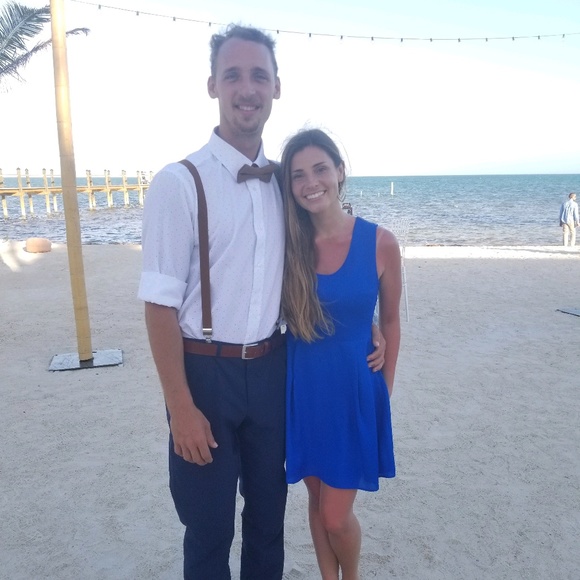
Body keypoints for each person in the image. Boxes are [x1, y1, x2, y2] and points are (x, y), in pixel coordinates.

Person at [138, 25, 385, 580]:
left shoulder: (288, 187)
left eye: (259, 76)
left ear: (276, 87)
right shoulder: (179, 183)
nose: (246, 88)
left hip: (275, 370)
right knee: (208, 529)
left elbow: (323, 261)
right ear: (212, 85)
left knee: (269, 522)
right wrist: (180, 407)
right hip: (204, 373)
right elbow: (158, 304)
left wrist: (364, 320)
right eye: (233, 75)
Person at [280, 128, 402, 580]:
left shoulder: (380, 242)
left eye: (320, 169)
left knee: (335, 515)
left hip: (353, 391)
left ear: (340, 172)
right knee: (316, 499)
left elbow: (391, 322)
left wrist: (383, 392)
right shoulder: (287, 245)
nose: (310, 182)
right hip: (304, 386)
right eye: (298, 175)